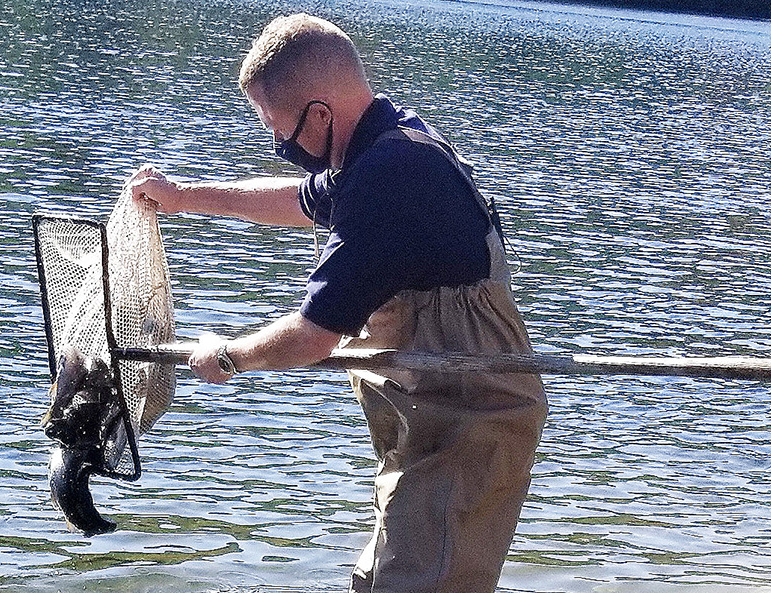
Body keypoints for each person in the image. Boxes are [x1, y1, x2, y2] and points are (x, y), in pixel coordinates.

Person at [128, 13, 547, 593]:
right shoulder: (380, 144)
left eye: (280, 128)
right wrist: (183, 198)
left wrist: (227, 357)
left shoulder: (392, 175)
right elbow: (298, 202)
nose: (278, 146)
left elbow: (312, 336)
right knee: (372, 583)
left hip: (470, 423)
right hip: (423, 420)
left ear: (320, 113)